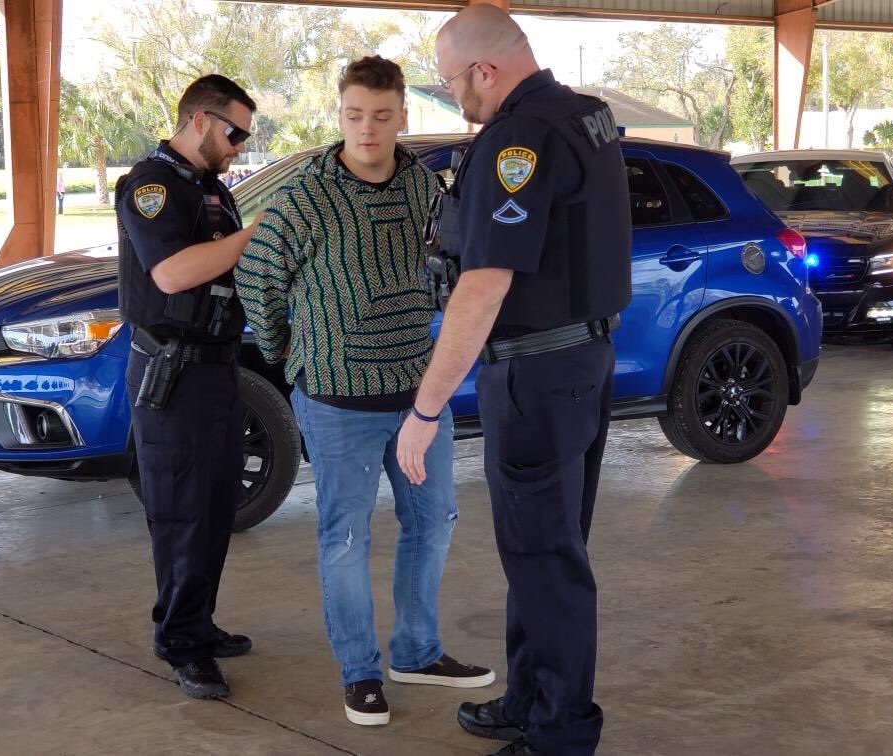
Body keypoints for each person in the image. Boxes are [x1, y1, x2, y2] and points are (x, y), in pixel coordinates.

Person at [395, 6, 632, 756]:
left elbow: (483, 284)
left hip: (535, 373)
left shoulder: (517, 139)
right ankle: (529, 698)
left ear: (485, 70)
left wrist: (425, 410)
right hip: (580, 363)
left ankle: (560, 733)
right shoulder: (585, 116)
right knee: (541, 549)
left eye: (451, 82)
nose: (453, 95)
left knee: (545, 559)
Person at [235, 55, 494, 728]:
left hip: (418, 399)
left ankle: (417, 651)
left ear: (402, 116)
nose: (368, 130)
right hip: (336, 402)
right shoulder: (307, 197)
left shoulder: (424, 188)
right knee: (346, 538)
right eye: (354, 116)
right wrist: (286, 353)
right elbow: (256, 275)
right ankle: (360, 673)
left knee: (433, 523)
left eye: (381, 116)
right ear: (341, 116)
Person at [115, 74, 261, 700]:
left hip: (216, 367)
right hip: (172, 374)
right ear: (199, 120)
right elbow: (172, 274)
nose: (239, 145)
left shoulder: (209, 188)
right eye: (234, 132)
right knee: (181, 512)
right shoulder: (151, 186)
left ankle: (196, 622)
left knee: (215, 507)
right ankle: (181, 644)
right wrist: (253, 235)